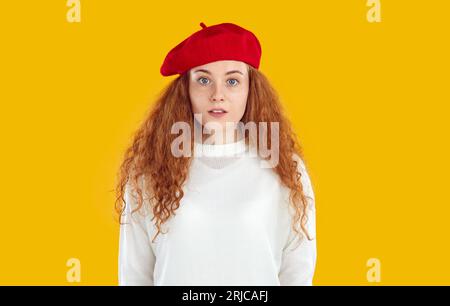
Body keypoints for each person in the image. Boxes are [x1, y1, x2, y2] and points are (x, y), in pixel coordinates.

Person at [116, 22, 317, 286]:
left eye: (232, 81)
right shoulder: (149, 169)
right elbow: (135, 275)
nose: (217, 95)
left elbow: (297, 273)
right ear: (185, 90)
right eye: (203, 80)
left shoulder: (285, 169)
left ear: (251, 89)